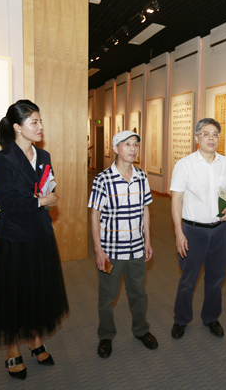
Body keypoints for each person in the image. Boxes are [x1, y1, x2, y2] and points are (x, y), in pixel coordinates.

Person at [0, 100, 69, 380]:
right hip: (13, 238)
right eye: (34, 122)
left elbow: (45, 188)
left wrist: (49, 199)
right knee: (12, 295)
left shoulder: (44, 156)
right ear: (18, 127)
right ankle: (11, 348)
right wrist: (40, 201)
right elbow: (5, 202)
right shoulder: (2, 159)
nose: (40, 127)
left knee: (37, 291)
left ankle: (34, 339)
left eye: (40, 121)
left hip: (40, 234)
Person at [88, 130, 157, 358]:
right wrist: (98, 250)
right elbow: (95, 215)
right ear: (116, 149)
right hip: (111, 250)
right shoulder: (103, 179)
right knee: (107, 297)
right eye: (127, 144)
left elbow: (145, 209)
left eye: (135, 144)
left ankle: (141, 330)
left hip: (136, 248)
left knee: (138, 294)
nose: (132, 149)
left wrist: (147, 240)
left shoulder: (141, 176)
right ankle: (106, 336)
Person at [170, 118, 226, 339]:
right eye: (206, 133)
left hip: (220, 230)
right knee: (188, 278)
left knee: (217, 277)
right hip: (193, 231)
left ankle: (211, 317)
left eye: (215, 134)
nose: (211, 138)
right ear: (196, 137)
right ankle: (181, 319)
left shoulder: (225, 163)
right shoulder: (185, 164)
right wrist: (179, 232)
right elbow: (176, 200)